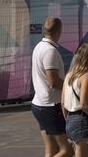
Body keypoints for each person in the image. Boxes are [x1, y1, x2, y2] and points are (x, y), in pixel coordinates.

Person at [31, 16, 73, 157]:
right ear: (59, 31)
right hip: (49, 107)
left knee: (52, 150)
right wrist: (72, 88)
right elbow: (53, 82)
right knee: (67, 151)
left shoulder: (39, 47)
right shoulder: (50, 51)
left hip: (40, 104)